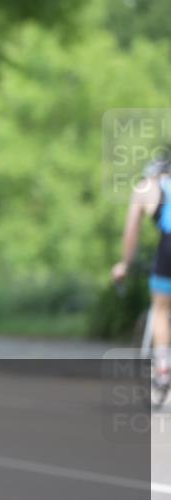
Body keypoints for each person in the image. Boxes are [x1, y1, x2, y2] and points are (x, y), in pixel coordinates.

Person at [112, 158, 171, 383]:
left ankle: (163, 369)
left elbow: (131, 233)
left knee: (160, 308)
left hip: (168, 248)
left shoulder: (146, 188)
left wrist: (125, 265)